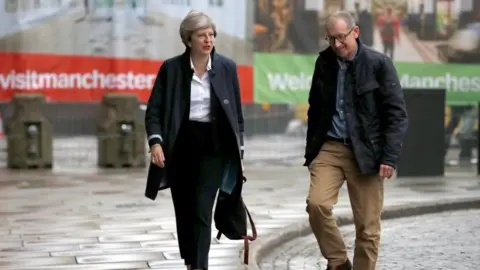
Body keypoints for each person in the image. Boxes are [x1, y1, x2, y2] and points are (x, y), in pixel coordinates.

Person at [304, 10, 408, 270]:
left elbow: (397, 115)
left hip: (367, 152)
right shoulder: (324, 62)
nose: (337, 45)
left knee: (368, 228)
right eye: (331, 39)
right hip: (329, 147)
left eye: (342, 38)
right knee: (316, 204)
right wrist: (312, 150)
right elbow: (315, 107)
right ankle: (338, 262)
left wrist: (389, 157)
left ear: (356, 32)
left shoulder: (379, 63)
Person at [144, 10, 245, 270]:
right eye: (201, 35)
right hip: (180, 147)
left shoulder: (226, 68)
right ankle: (191, 260)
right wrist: (156, 143)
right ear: (189, 39)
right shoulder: (171, 68)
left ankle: (199, 266)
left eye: (211, 35)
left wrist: (239, 155)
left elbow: (236, 115)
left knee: (202, 211)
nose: (208, 40)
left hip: (213, 148)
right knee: (185, 212)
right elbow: (154, 110)